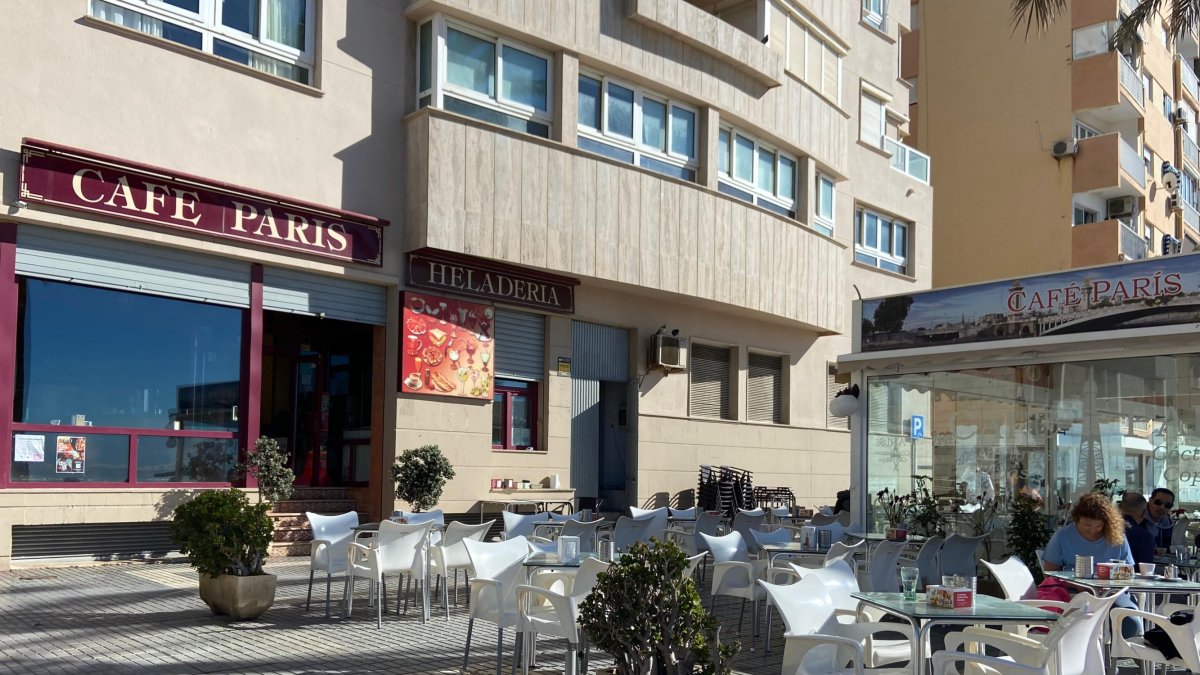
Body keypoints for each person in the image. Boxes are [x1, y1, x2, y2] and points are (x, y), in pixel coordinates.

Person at [1043, 492, 1139, 636]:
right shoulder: (1063, 536)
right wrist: (1075, 584)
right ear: (1077, 519)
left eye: (1098, 526)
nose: (1093, 530)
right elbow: (1049, 573)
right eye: (1087, 525)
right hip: (1074, 593)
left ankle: (1113, 654)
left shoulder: (1117, 537)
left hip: (1112, 593)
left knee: (1130, 622)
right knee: (1081, 624)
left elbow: (1129, 570)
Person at [1117, 492, 1156, 566]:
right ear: (1143, 513)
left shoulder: (1102, 528)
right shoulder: (1144, 536)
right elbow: (1145, 568)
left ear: (1119, 507)